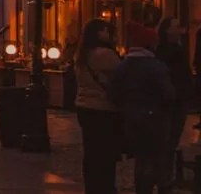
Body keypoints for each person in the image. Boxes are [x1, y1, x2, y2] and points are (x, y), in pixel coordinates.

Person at [111, 20, 175, 194]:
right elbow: (168, 94)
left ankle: (142, 188)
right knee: (156, 156)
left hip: (131, 116)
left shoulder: (123, 66)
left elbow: (115, 92)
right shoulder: (155, 66)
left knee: (141, 158)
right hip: (155, 118)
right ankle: (160, 187)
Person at [74, 18, 122, 194]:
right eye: (106, 30)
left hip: (84, 106)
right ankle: (105, 187)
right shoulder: (105, 54)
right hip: (102, 107)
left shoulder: (82, 54)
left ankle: (92, 187)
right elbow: (122, 74)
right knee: (105, 154)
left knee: (91, 152)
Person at [157, 17, 191, 186]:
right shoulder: (170, 52)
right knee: (168, 142)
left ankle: (165, 178)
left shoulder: (173, 49)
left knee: (168, 142)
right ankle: (165, 180)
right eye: (176, 27)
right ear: (167, 31)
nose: (180, 30)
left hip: (175, 101)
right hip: (173, 102)